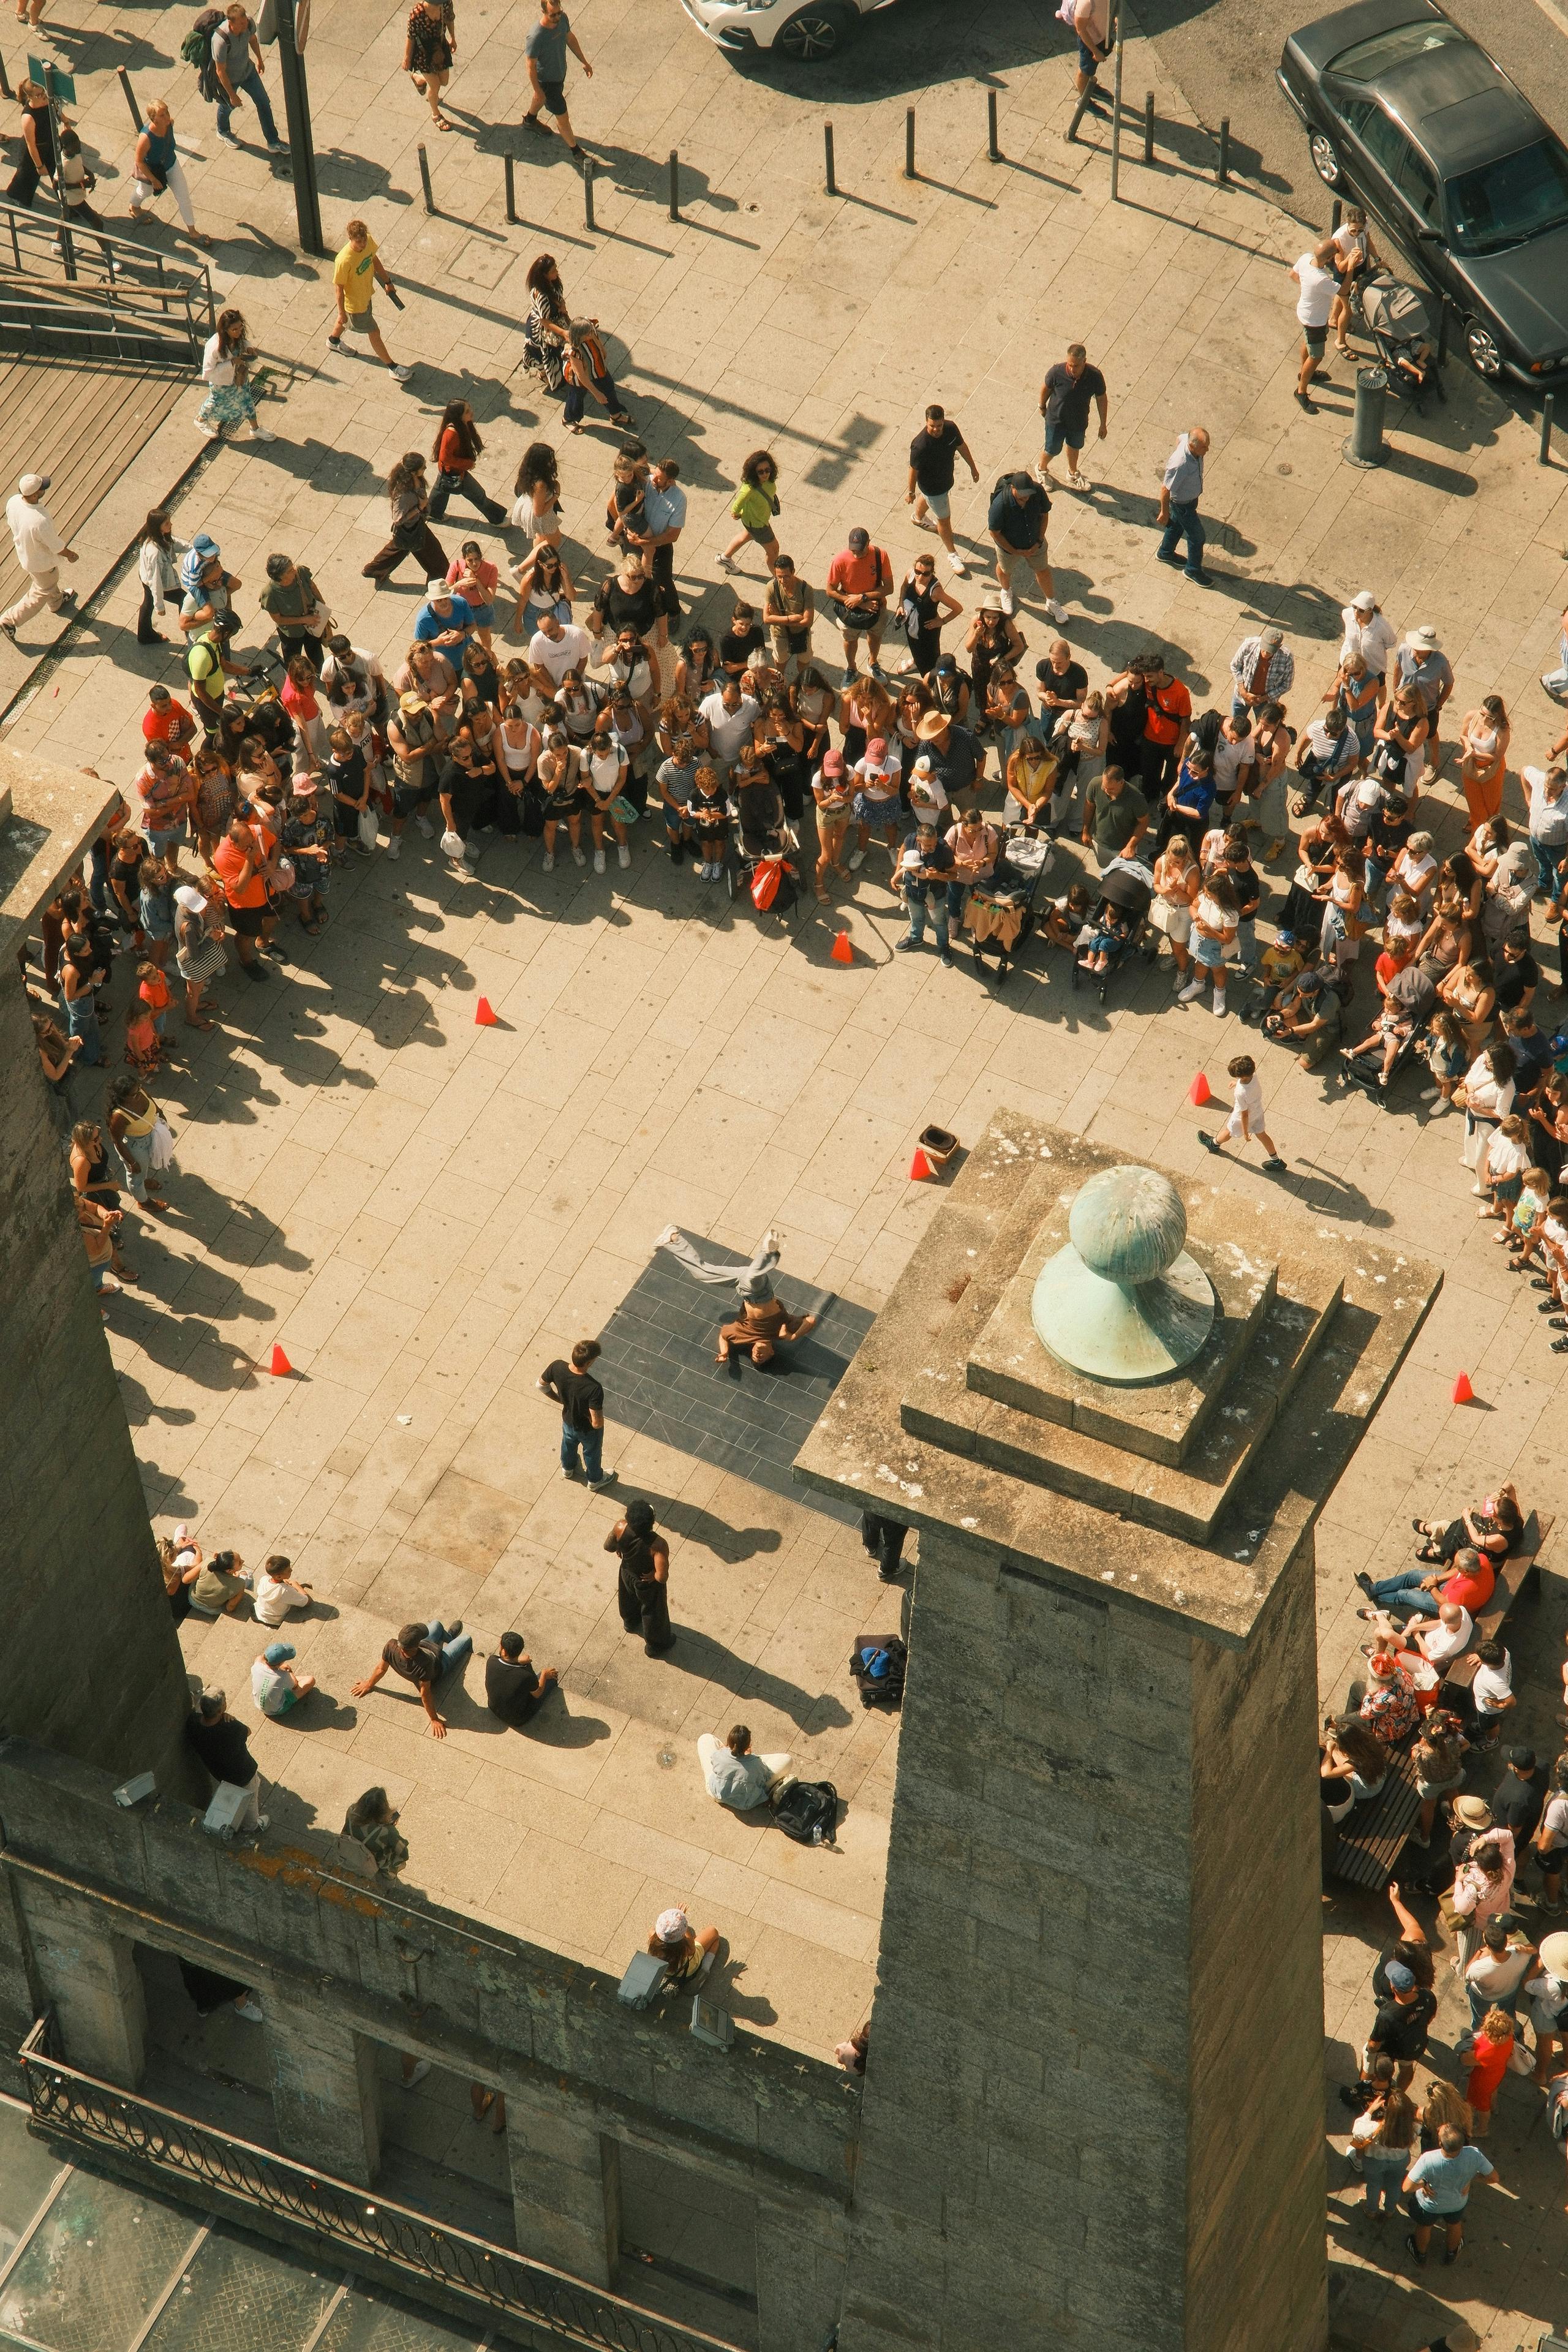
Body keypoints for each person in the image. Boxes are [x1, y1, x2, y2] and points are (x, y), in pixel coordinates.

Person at [351, 1618, 472, 1739]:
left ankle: (450, 1637)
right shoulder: (425, 1663)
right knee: (466, 1639)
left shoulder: (391, 1646)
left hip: (425, 1648)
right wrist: (434, 1719)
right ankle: (469, 1654)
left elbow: (381, 1669)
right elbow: (425, 1694)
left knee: (436, 1624)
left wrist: (369, 1684)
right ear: (416, 1646)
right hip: (440, 1664)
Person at [328, 219, 413, 382]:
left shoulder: (368, 242)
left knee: (345, 321)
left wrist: (387, 282)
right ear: (350, 238)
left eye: (364, 240)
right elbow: (339, 288)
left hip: (366, 296)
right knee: (374, 332)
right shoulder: (343, 260)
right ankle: (392, 367)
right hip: (355, 305)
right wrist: (342, 312)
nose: (363, 244)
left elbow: (374, 260)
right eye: (359, 242)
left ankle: (333, 340)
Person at [1402, 2123, 1498, 2266]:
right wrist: (1470, 2179)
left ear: (1440, 2144)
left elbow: (1406, 2187)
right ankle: (1452, 2253)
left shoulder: (1428, 2159)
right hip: (1457, 2202)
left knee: (1424, 2226)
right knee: (1454, 2224)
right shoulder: (1474, 2154)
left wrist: (1423, 2184)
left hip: (1430, 2204)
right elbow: (1494, 2178)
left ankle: (1420, 2255)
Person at [0, 471, 77, 641]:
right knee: (41, 591)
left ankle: (56, 602)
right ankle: (9, 621)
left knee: (47, 584)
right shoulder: (39, 520)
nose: (44, 489)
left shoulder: (13, 501)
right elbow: (55, 546)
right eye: (42, 488)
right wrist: (70, 555)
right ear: (35, 495)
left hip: (26, 554)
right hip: (41, 563)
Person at [985, 470, 1066, 622]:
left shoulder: (1038, 491)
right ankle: (1006, 591)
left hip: (1035, 542)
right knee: (1005, 569)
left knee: (1043, 570)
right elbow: (995, 533)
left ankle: (1051, 602)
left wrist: (1039, 541)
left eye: (1028, 495)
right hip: (1008, 546)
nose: (1026, 499)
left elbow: (1044, 515)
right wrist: (1014, 551)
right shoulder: (1000, 504)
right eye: (1022, 496)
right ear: (1013, 489)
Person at [907, 402, 977, 575]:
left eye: (939, 425)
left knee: (929, 500)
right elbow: (913, 470)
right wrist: (911, 492)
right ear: (926, 422)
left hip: (945, 481)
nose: (936, 429)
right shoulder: (920, 445)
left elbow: (962, 447)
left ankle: (918, 517)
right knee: (944, 521)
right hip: (933, 487)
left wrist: (973, 467)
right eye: (932, 426)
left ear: (944, 421)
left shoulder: (951, 429)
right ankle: (952, 554)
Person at [185, 1686, 268, 1831]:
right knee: (250, 1800)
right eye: (224, 1703)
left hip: (219, 1773)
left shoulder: (193, 1723)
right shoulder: (231, 1728)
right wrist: (230, 1719)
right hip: (243, 1775)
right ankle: (253, 1827)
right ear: (220, 1711)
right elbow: (247, 1731)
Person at [129, 100, 211, 244]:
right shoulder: (146, 137)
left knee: (184, 197)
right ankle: (134, 206)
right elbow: (140, 161)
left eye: (167, 112)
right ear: (153, 119)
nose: (167, 117)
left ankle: (192, 232)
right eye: (162, 115)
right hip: (152, 171)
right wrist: (153, 180)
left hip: (172, 165)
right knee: (145, 192)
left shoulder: (170, 124)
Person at [538, 1338, 614, 1489]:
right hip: (587, 1430)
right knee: (592, 1453)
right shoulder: (593, 1388)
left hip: (568, 1421)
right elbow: (597, 1423)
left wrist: (559, 1399)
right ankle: (595, 1480)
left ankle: (567, 1469)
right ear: (588, 1363)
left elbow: (540, 1385)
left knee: (568, 1443)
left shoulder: (557, 1366)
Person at [523, 0, 592, 162]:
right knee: (562, 117)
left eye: (559, 13)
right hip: (547, 82)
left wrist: (584, 61)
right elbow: (530, 66)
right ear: (543, 12)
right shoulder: (536, 36)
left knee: (540, 98)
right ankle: (576, 152)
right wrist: (539, 90)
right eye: (553, 15)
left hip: (559, 75)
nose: (557, 17)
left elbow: (570, 38)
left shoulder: (563, 20)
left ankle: (530, 120)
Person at [825, 527, 894, 686]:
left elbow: (889, 588)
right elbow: (830, 590)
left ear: (868, 543)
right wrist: (852, 600)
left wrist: (862, 598)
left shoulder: (880, 555)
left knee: (875, 635)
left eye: (860, 550)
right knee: (850, 639)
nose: (856, 554)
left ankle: (873, 662)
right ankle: (851, 668)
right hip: (849, 609)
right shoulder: (840, 560)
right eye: (853, 550)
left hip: (875, 607)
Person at [210, 2, 283, 151]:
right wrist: (232, 95)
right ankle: (222, 131)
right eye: (241, 24)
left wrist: (260, 59)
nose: (245, 26)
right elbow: (220, 71)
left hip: (248, 71)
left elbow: (253, 39)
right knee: (228, 106)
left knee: (263, 102)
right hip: (230, 79)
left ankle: (273, 141)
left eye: (245, 22)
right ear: (231, 23)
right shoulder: (220, 40)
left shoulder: (248, 24)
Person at [197, 307, 274, 444]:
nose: (239, 332)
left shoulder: (237, 337)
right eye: (234, 330)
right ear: (225, 330)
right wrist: (232, 363)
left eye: (240, 327)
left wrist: (248, 348)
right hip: (222, 384)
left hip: (240, 377)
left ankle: (255, 428)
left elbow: (243, 342)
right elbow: (207, 373)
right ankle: (200, 420)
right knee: (215, 402)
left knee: (247, 401)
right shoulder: (214, 346)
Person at [1038, 342, 1108, 490]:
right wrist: (1042, 406)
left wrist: (1103, 424)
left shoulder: (1095, 376)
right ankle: (1041, 469)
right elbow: (1046, 388)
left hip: (1078, 421)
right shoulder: (1056, 372)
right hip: (1056, 420)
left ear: (1084, 362)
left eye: (1076, 366)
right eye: (1070, 364)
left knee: (1074, 447)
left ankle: (1072, 473)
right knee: (1052, 449)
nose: (1072, 369)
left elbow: (1101, 398)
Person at [608, 1498, 674, 1656]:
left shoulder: (620, 1527)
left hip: (626, 1573)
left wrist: (621, 1547)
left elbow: (609, 1546)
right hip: (646, 1583)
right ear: (651, 1523)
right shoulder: (658, 1545)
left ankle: (630, 1622)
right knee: (653, 1612)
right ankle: (656, 1646)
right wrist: (653, 1575)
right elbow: (662, 1577)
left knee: (627, 1599)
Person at [426, 400, 507, 526]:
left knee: (441, 488)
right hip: (454, 472)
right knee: (478, 495)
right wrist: (467, 464)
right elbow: (445, 458)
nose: (472, 412)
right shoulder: (451, 434)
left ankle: (433, 512)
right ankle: (497, 519)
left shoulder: (462, 425)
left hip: (449, 471)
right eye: (467, 411)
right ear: (459, 416)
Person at [1199, 1054, 1285, 1170]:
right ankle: (1276, 1161)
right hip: (1257, 1112)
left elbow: (1244, 1114)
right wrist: (1237, 1083)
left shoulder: (1240, 1093)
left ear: (1242, 1076)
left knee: (1229, 1131)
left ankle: (1214, 1144)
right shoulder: (1253, 1075)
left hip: (1241, 1118)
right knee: (1262, 1135)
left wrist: (1245, 1133)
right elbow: (1248, 1084)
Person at [895, 818, 956, 966]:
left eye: (934, 843)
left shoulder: (944, 850)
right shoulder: (910, 840)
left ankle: (944, 946)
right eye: (928, 845)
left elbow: (954, 875)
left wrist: (937, 875)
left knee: (939, 922)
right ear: (918, 840)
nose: (932, 847)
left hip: (935, 894)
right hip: (913, 891)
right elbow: (903, 849)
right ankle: (916, 938)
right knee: (916, 918)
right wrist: (897, 872)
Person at [1156, 426, 1210, 584]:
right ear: (1192, 446)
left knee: (1176, 526)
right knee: (1197, 537)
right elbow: (1165, 489)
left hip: (1190, 500)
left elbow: (1180, 438)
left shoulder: (1189, 441)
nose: (1207, 450)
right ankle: (1192, 570)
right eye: (1204, 447)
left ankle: (1165, 552)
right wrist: (1164, 512)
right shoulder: (1180, 464)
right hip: (1183, 505)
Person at [698, 1723, 791, 1811]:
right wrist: (751, 1757)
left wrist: (725, 1751)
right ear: (748, 1746)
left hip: (716, 1793)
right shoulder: (756, 1764)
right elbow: (764, 1777)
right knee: (787, 1759)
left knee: (705, 1738)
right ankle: (743, 1755)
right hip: (744, 1803)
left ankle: (737, 1752)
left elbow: (714, 1763)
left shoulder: (720, 1755)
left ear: (729, 1742)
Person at [718, 450, 782, 577]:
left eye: (767, 470)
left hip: (757, 521)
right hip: (758, 525)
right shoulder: (749, 490)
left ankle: (724, 559)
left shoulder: (768, 481)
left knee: (747, 536)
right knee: (773, 550)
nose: (765, 474)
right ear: (754, 472)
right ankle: (779, 579)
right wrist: (737, 513)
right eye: (760, 472)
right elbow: (736, 506)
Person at [1291, 243, 1336, 410]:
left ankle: (1305, 373)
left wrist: (1308, 289)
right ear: (1329, 258)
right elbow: (1343, 290)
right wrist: (1351, 266)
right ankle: (1301, 392)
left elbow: (1292, 275)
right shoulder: (1321, 279)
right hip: (1315, 321)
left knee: (1307, 342)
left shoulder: (1306, 259)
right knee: (1316, 356)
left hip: (1307, 314)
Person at [485, 1630, 559, 1726]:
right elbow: (537, 1694)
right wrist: (544, 1674)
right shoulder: (526, 1674)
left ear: (504, 1652)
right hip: (518, 1719)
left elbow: (508, 1666)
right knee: (551, 1678)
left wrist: (519, 1662)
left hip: (493, 1707)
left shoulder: (492, 1661)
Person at [404, 0, 455, 131]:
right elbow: (411, 36)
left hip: (440, 49)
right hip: (424, 54)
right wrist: (407, 58)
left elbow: (449, 19)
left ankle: (419, 78)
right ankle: (435, 114)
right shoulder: (417, 14)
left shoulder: (445, 4)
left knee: (444, 81)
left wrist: (453, 38)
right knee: (435, 86)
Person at [342, 1787, 410, 1877]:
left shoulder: (351, 1811)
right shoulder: (388, 1832)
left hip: (351, 1850)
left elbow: (345, 1830)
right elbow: (404, 1854)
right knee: (395, 1850)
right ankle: (388, 1874)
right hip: (372, 1862)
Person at [1230, 626, 1293, 718]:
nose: (1266, 653)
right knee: (1237, 722)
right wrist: (1243, 692)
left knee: (1263, 725)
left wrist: (1264, 698)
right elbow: (1235, 666)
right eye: (1264, 649)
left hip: (1266, 702)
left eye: (1270, 651)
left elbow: (1287, 685)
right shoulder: (1248, 645)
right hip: (1241, 696)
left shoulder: (1287, 657)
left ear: (1279, 647)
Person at [647, 1906, 719, 1985]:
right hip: (688, 1970)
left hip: (667, 1971)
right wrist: (682, 1925)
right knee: (713, 1932)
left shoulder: (653, 1939)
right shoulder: (685, 1948)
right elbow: (693, 1950)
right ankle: (705, 1968)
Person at [251, 1640, 317, 1718]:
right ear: (280, 1663)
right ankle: (284, 1704)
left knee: (281, 1683)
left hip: (259, 1704)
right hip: (275, 1710)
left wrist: (278, 1667)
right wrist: (289, 1671)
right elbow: (295, 1685)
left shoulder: (257, 1662)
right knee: (310, 1680)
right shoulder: (282, 1676)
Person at [252, 1553, 314, 1626]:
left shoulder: (264, 1579)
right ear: (278, 1577)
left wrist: (283, 1581)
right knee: (306, 1586)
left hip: (259, 1612)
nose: (291, 1570)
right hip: (273, 1620)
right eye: (288, 1571)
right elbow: (307, 1601)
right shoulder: (285, 1591)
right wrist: (297, 1585)